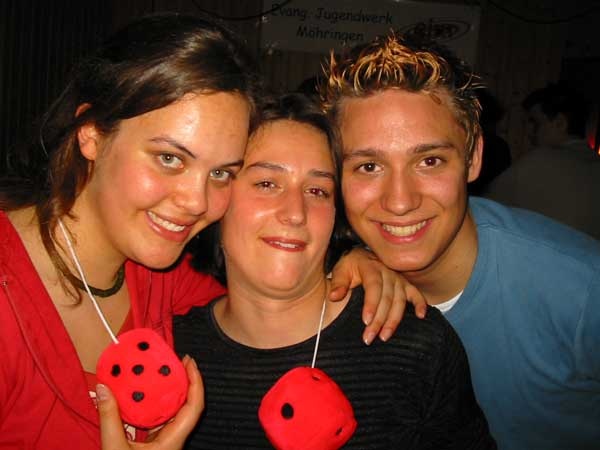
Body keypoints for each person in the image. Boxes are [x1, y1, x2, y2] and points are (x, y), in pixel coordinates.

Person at [0, 14, 423, 450]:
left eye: (220, 172)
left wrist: (353, 259)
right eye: (169, 158)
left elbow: (263, 291)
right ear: (91, 133)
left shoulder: (166, 279)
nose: (196, 202)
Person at [319, 33, 600, 450]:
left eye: (429, 161)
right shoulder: (338, 288)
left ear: (473, 158)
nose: (400, 201)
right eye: (369, 166)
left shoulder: (582, 289)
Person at [173, 93, 496, 449]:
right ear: (218, 199)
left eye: (317, 190)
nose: (295, 213)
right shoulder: (171, 348)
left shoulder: (413, 345)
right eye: (267, 184)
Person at [484, 82, 600, 240]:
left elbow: (485, 208)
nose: (529, 131)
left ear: (560, 123)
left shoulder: (538, 162)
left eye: (535, 122)